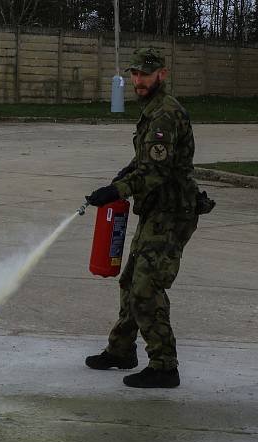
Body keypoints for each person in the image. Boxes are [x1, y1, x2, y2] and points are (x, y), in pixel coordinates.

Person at [84, 47, 214, 388]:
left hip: (173, 213)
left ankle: (164, 366)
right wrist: (119, 179)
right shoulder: (153, 111)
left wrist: (119, 190)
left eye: (146, 74)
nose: (139, 80)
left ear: (162, 75)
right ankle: (121, 351)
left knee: (146, 286)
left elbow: (155, 171)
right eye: (135, 74)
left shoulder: (165, 115)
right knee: (131, 280)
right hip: (157, 211)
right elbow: (143, 162)